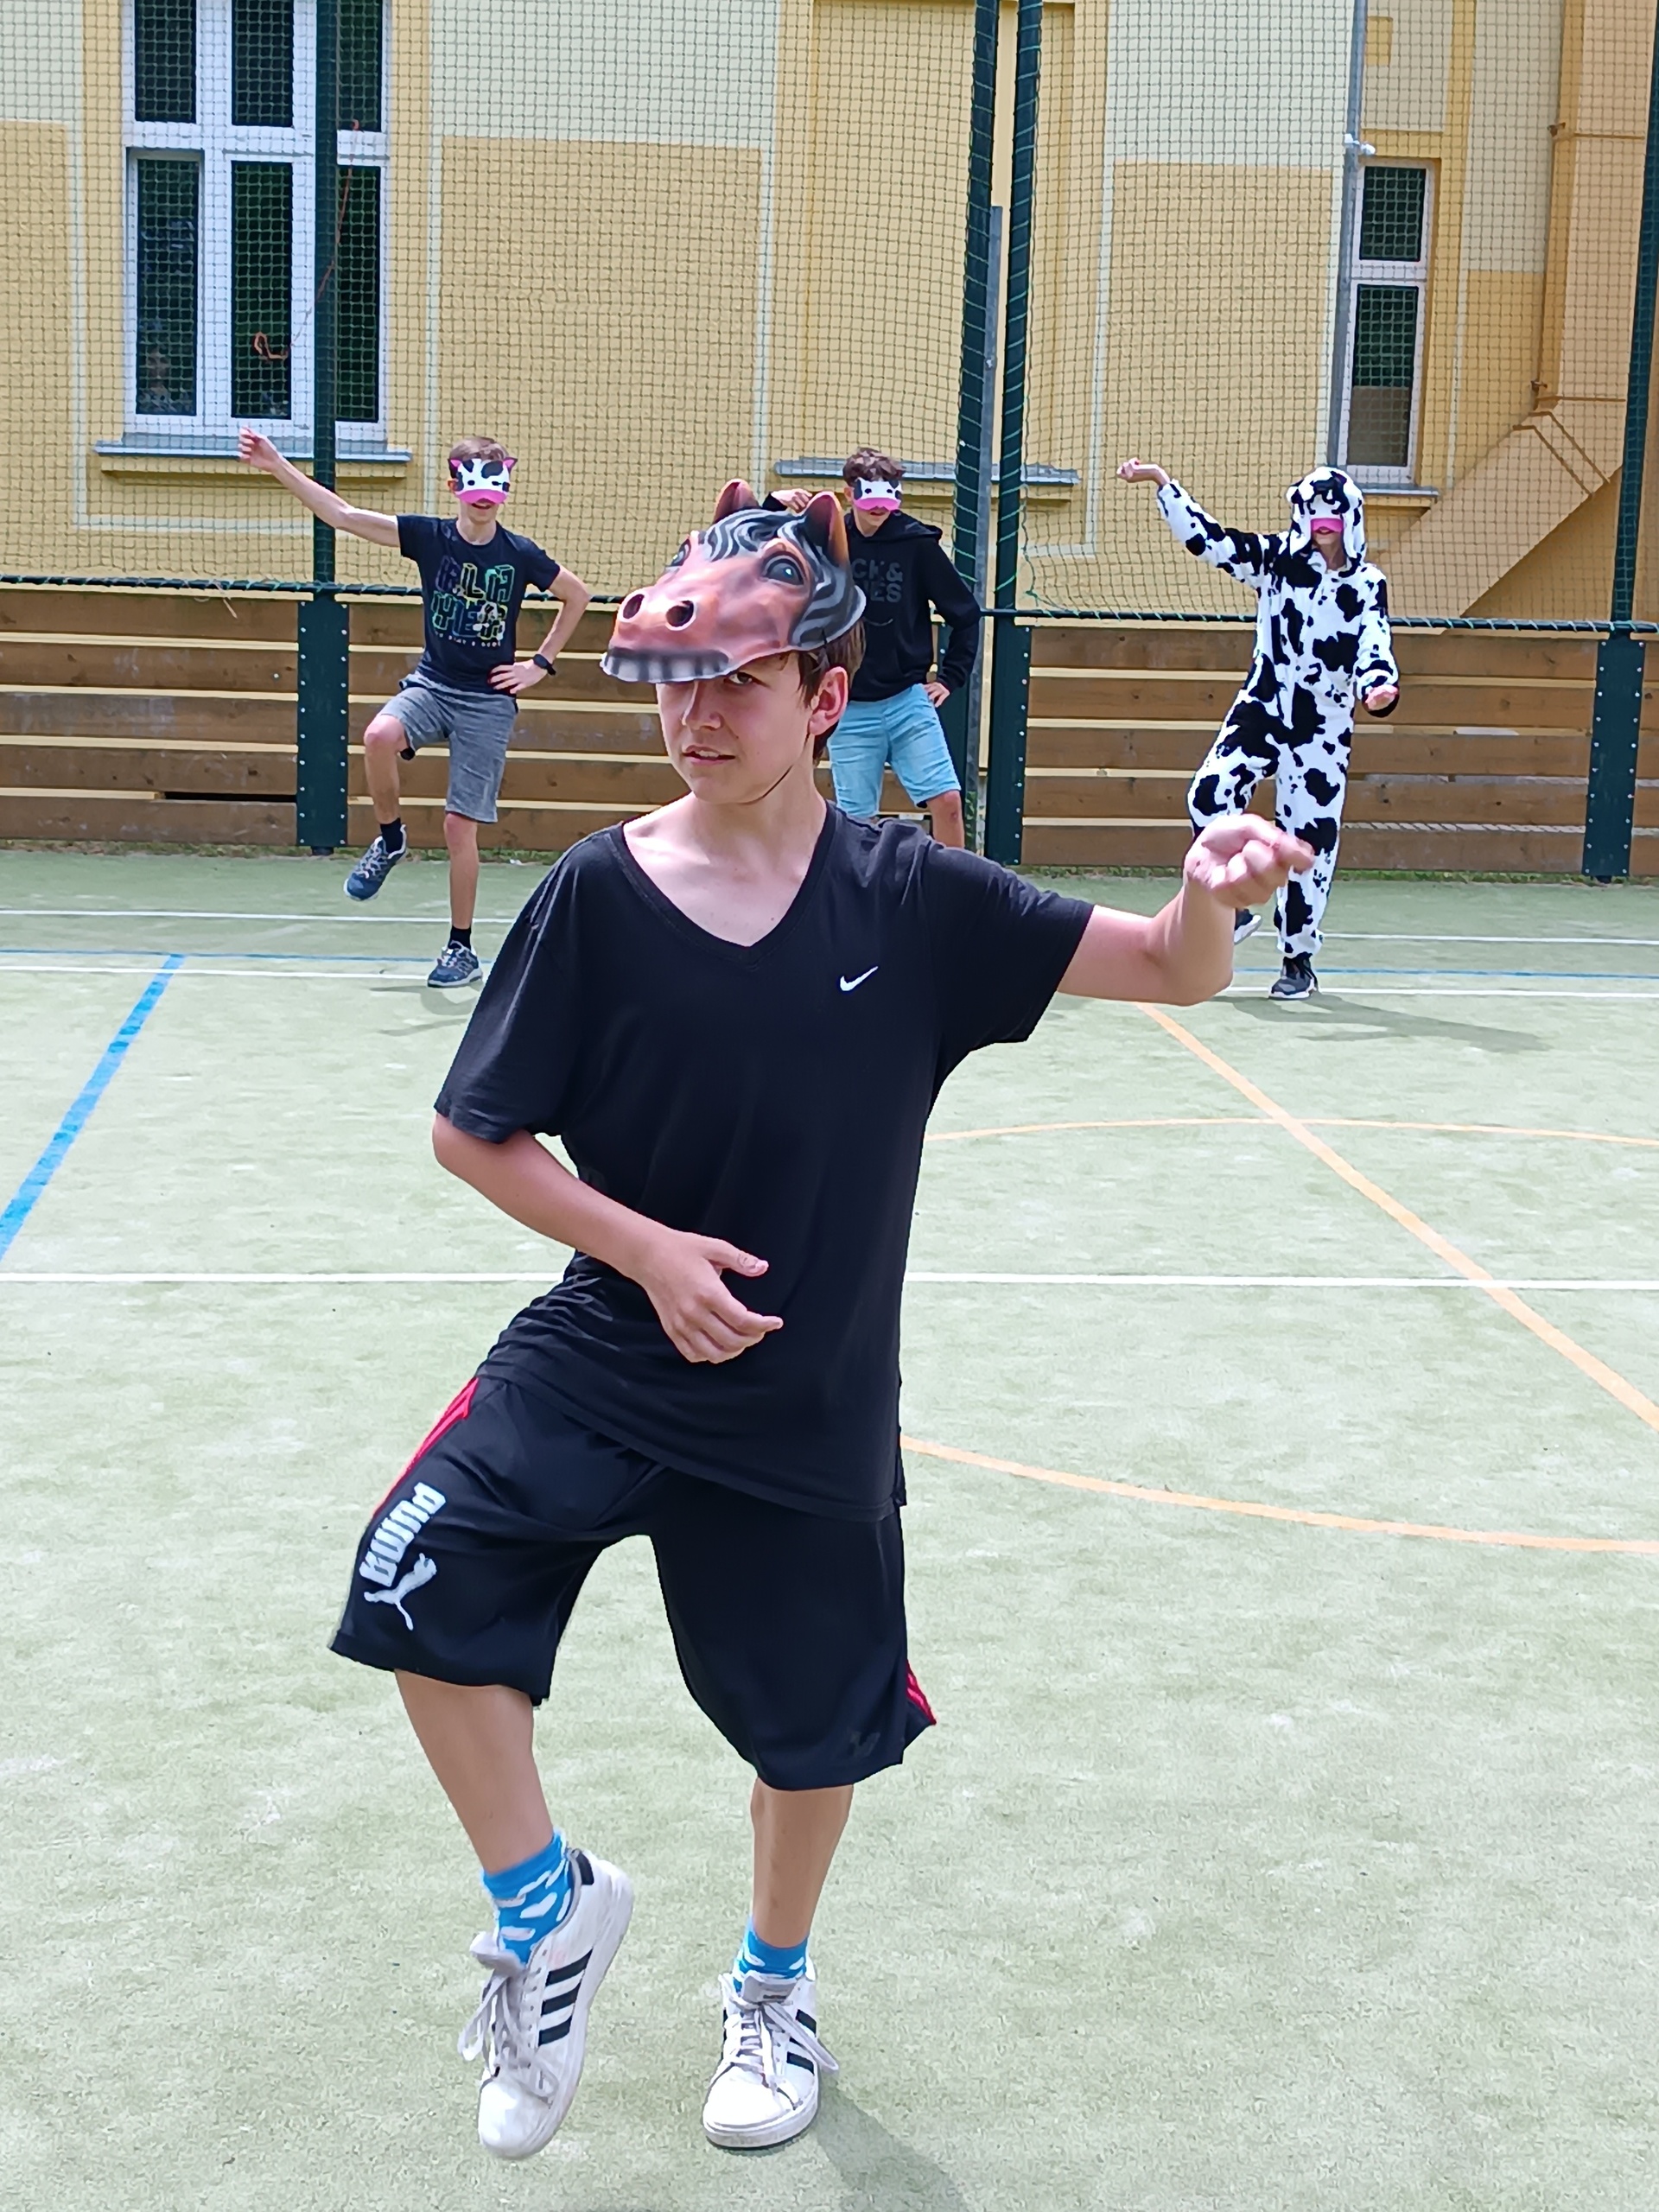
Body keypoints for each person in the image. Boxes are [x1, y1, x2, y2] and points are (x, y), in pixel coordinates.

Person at [328, 478, 1312, 2165]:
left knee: (810, 1730)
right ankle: (547, 1911)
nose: (698, 715)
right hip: (608, 1353)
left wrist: (1214, 895)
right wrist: (647, 1250)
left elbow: (1167, 966)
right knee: (411, 1579)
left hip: (806, 1402)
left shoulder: (910, 900)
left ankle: (771, 1988)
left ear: (826, 697)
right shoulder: (596, 893)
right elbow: (471, 1132)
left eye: (740, 682)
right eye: (676, 683)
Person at [238, 430, 592, 987]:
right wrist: (277, 464)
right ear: (454, 487)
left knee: (458, 826)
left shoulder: (519, 553)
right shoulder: (430, 538)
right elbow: (343, 515)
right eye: (473, 484)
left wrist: (539, 664)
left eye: (494, 485)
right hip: (433, 683)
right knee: (378, 737)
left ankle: (460, 948)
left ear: (505, 489)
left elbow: (578, 595)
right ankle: (391, 838)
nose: (483, 497)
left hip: (487, 700)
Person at [1117, 460, 1400, 1000]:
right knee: (1208, 794)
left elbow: (1374, 642)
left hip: (1321, 728)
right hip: (1263, 708)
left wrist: (1378, 687)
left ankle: (1298, 958)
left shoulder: (1367, 585)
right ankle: (1236, 907)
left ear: (1350, 519)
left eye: (1331, 515)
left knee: (1309, 845)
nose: (1321, 524)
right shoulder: (1276, 562)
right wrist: (1163, 485)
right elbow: (1212, 542)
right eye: (1311, 513)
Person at [772, 448, 978, 844]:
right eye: (870, 495)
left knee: (948, 800)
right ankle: (864, 885)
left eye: (890, 494)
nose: (880, 507)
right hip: (850, 708)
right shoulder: (828, 540)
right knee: (857, 822)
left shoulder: (916, 544)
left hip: (907, 701)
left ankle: (959, 882)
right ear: (849, 493)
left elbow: (965, 613)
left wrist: (950, 678)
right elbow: (761, 549)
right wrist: (774, 504)